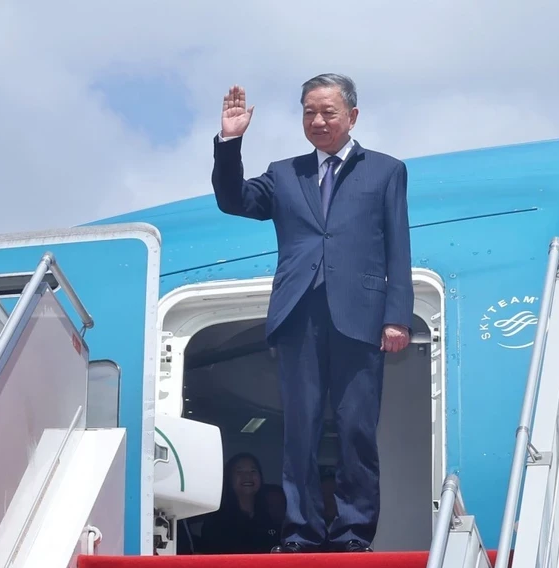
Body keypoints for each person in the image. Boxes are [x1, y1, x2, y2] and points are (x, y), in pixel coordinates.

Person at [211, 74, 413, 553]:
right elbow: (232, 199)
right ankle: (301, 532)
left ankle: (352, 533)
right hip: (299, 315)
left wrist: (397, 316)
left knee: (356, 430)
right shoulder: (285, 173)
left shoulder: (386, 171)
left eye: (328, 112)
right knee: (298, 431)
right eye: (309, 112)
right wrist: (229, 141)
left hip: (360, 317)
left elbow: (398, 247)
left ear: (352, 116)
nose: (318, 121)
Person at [200, 453, 281, 554]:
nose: (247, 476)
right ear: (229, 478)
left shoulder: (271, 516)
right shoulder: (216, 521)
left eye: (253, 471)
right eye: (239, 471)